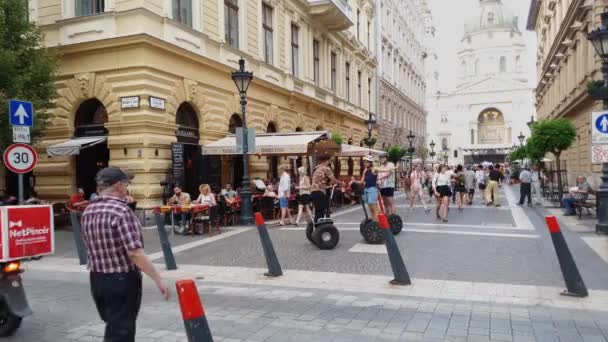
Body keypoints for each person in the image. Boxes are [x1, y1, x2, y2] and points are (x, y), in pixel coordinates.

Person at [81, 167, 169, 342]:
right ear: (119, 186)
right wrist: (158, 280)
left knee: (113, 324)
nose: (127, 188)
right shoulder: (121, 211)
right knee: (121, 331)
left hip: (97, 279)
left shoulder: (88, 211)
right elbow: (135, 253)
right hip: (121, 280)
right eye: (126, 184)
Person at [355, 155, 396, 222]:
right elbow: (361, 182)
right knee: (371, 209)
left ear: (370, 162)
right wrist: (354, 181)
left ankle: (378, 224)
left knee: (374, 209)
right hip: (366, 190)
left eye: (367, 162)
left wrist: (395, 167)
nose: (365, 163)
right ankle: (375, 223)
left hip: (372, 190)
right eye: (364, 162)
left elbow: (384, 170)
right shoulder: (365, 171)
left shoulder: (374, 169)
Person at [310, 154, 338, 223]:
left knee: (318, 211)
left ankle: (316, 227)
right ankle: (321, 228)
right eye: (329, 160)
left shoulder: (316, 167)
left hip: (313, 191)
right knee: (322, 211)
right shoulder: (326, 168)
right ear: (327, 161)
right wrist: (331, 184)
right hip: (320, 192)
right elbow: (334, 180)